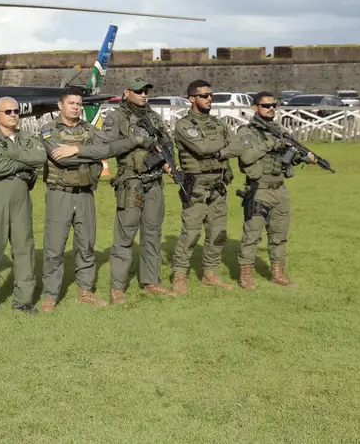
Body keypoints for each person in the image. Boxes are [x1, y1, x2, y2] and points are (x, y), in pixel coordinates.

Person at [40, 86, 152, 311]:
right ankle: (50, 295)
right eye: (71, 103)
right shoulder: (49, 129)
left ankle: (85, 290)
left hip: (85, 193)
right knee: (54, 247)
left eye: (79, 104)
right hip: (59, 193)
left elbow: (107, 150)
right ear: (60, 105)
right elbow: (60, 158)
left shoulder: (89, 129)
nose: (75, 107)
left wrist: (76, 150)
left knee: (86, 243)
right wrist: (90, 154)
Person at [95, 76, 176, 303]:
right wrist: (134, 141)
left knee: (153, 234)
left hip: (154, 182)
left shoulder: (153, 116)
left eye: (145, 91)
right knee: (125, 235)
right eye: (138, 91)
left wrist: (169, 162)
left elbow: (165, 142)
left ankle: (151, 281)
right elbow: (105, 147)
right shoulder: (116, 117)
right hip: (131, 182)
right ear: (127, 92)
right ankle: (117, 287)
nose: (143, 94)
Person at [235, 91, 316, 289]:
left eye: (273, 105)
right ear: (255, 108)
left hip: (280, 189)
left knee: (279, 235)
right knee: (252, 235)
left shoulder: (281, 131)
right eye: (266, 105)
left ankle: (278, 273)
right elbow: (246, 157)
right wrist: (271, 143)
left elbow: (288, 158)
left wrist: (304, 158)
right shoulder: (247, 132)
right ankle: (246, 274)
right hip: (259, 189)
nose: (271, 108)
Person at [170, 79, 244, 294]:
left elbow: (238, 145)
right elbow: (202, 148)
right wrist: (225, 147)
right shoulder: (184, 125)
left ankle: (210, 274)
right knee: (191, 234)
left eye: (211, 95)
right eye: (204, 95)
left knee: (218, 233)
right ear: (191, 98)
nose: (209, 98)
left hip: (218, 185)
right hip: (197, 186)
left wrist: (222, 149)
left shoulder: (218, 123)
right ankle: (179, 276)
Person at [0, 97, 46, 317]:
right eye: (8, 111)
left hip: (21, 201)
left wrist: (11, 155)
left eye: (16, 111)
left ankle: (23, 300)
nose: (14, 114)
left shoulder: (26, 137)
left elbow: (40, 157)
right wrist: (24, 164)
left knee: (24, 248)